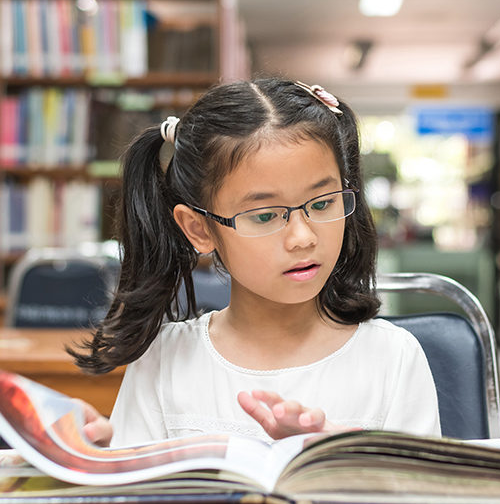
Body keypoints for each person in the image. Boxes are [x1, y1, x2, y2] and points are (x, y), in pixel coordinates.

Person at [69, 78, 441, 447]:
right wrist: (95, 468)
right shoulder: (165, 359)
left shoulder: (393, 359)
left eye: (324, 203)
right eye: (265, 216)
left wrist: (342, 466)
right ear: (199, 229)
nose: (303, 237)